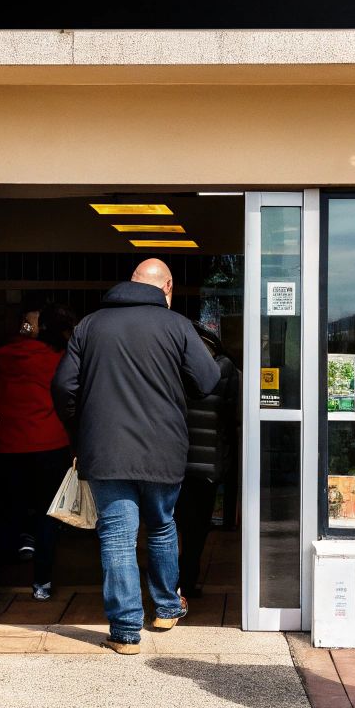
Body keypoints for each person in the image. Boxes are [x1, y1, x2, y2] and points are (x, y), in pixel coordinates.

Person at [51, 258, 220, 654]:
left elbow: (62, 386)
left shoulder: (90, 325)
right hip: (164, 448)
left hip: (106, 450)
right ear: (168, 287)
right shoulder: (177, 325)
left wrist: (82, 427)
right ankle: (165, 608)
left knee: (117, 537)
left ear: (130, 283)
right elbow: (208, 380)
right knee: (161, 527)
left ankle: (126, 632)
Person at [0, 304, 77, 600]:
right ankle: (42, 582)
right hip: (49, 445)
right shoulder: (58, 358)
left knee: (6, 510)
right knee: (47, 515)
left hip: (7, 446)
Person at [178, 323, 239, 597]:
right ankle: (187, 583)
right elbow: (233, 414)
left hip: (173, 461)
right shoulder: (225, 367)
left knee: (167, 526)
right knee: (197, 528)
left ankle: (167, 585)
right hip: (208, 463)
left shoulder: (174, 364)